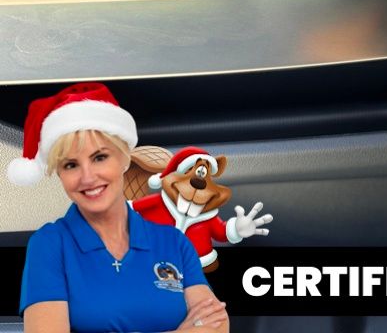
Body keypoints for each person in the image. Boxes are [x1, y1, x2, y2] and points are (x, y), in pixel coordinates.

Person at [7, 82, 230, 333]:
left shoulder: (173, 241)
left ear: (125, 159)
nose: (88, 177)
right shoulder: (49, 244)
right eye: (71, 165)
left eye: (100, 157)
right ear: (59, 174)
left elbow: (218, 325)